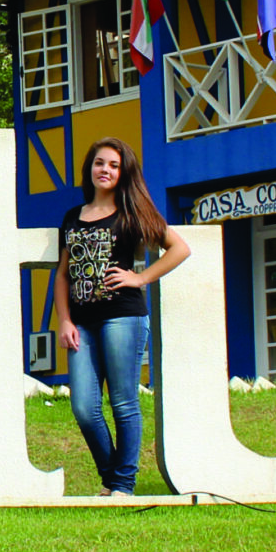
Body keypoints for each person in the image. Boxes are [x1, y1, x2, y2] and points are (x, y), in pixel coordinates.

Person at [53, 138, 191, 497]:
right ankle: (113, 476)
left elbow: (180, 248)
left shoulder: (132, 213)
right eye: (100, 163)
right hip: (81, 321)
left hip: (123, 317)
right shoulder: (72, 217)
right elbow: (63, 274)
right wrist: (64, 321)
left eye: (113, 165)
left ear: (123, 172)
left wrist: (141, 277)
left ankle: (122, 486)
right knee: (84, 406)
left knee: (123, 401)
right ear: (90, 168)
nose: (106, 170)